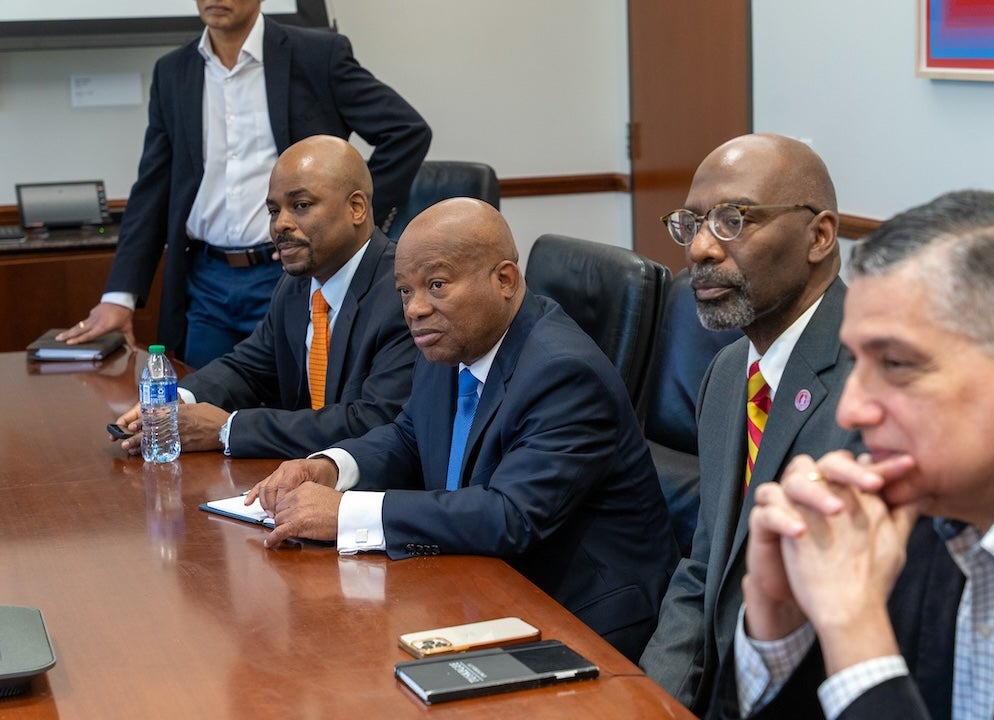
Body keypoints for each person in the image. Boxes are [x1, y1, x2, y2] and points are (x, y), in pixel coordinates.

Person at [244, 197, 680, 661]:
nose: (415, 309)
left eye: (436, 284)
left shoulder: (564, 373)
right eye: (405, 291)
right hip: (483, 585)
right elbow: (410, 437)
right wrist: (333, 468)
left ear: (505, 280)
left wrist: (346, 513)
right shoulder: (453, 343)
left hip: (579, 616)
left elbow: (510, 516)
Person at [733, 189, 994, 719]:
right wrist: (784, 626)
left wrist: (853, 628)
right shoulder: (915, 506)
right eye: (855, 362)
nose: (850, 412)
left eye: (895, 364)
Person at [58, 0, 431, 367]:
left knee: (296, 409)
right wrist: (119, 296)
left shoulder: (317, 56)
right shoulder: (174, 72)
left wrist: (351, 220)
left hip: (292, 272)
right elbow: (152, 188)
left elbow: (406, 132)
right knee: (201, 402)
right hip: (206, 280)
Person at [638, 133, 863, 712]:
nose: (701, 250)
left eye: (733, 220)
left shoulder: (869, 389)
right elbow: (703, 570)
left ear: (820, 236)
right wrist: (648, 703)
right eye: (691, 224)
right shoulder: (727, 372)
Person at [111, 135, 415, 459]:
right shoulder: (295, 287)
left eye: (301, 206)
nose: (280, 224)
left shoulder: (404, 293)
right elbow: (248, 369)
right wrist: (176, 402)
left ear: (356, 208)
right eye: (273, 210)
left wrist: (227, 429)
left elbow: (373, 422)